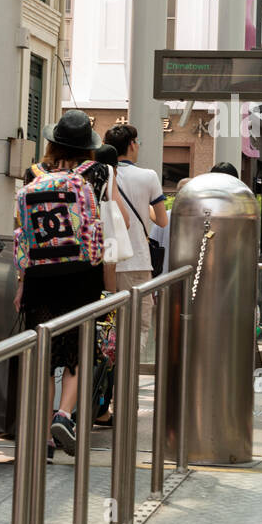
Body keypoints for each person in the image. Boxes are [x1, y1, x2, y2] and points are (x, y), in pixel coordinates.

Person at [15, 109, 107, 457]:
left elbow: (23, 235)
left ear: (53, 144)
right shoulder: (91, 178)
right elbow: (95, 232)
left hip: (39, 276)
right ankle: (64, 415)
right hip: (80, 276)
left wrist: (22, 281)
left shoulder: (33, 178)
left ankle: (40, 436)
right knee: (78, 349)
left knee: (42, 352)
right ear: (88, 148)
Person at [104, 124, 168, 364]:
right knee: (138, 327)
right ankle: (125, 384)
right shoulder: (148, 176)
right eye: (137, 142)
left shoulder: (102, 174)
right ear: (131, 144)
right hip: (137, 262)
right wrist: (144, 211)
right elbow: (161, 220)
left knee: (109, 326)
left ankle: (107, 385)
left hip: (107, 260)